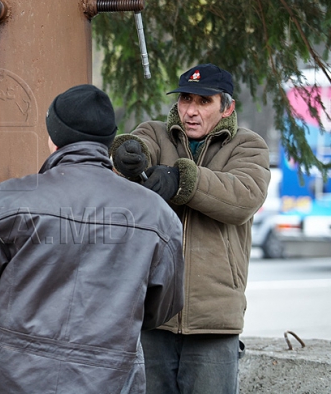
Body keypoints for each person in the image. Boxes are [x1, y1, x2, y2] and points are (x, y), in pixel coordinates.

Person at [0, 84, 185, 393]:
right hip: (108, 382)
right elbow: (160, 309)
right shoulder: (158, 216)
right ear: (110, 140)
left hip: (12, 381)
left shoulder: (7, 200)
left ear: (52, 137)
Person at [110, 64, 271, 394]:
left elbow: (244, 197)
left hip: (214, 320)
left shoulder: (248, 146)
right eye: (185, 99)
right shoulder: (157, 133)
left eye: (203, 102)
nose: (190, 111)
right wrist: (127, 154)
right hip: (153, 313)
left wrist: (180, 179)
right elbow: (136, 146)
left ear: (227, 107)